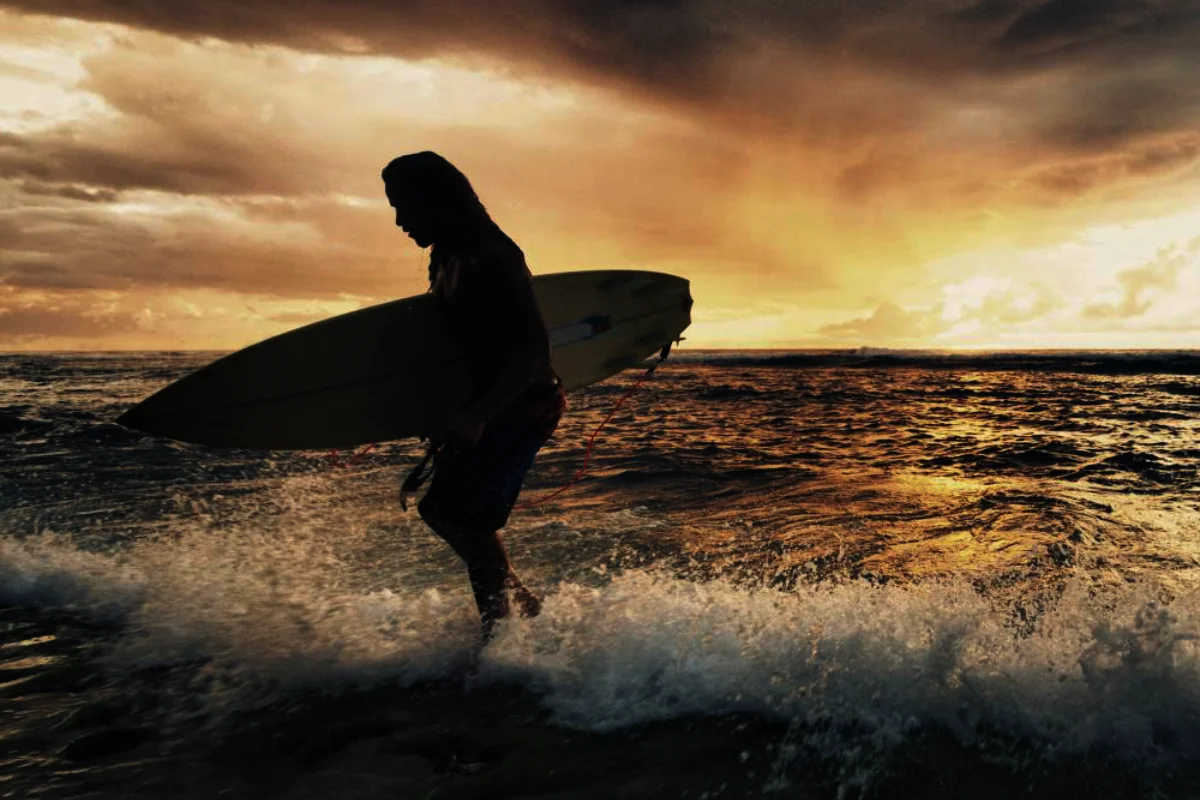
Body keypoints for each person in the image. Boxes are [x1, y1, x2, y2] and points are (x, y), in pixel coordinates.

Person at [382, 151, 566, 642]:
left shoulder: (493, 253)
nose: (399, 222)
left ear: (439, 200)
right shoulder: (446, 256)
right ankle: (521, 610)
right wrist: (447, 410)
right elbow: (462, 347)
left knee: (460, 516)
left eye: (404, 207)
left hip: (521, 405)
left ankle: (499, 636)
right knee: (444, 511)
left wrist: (477, 417)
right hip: (487, 404)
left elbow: (534, 349)